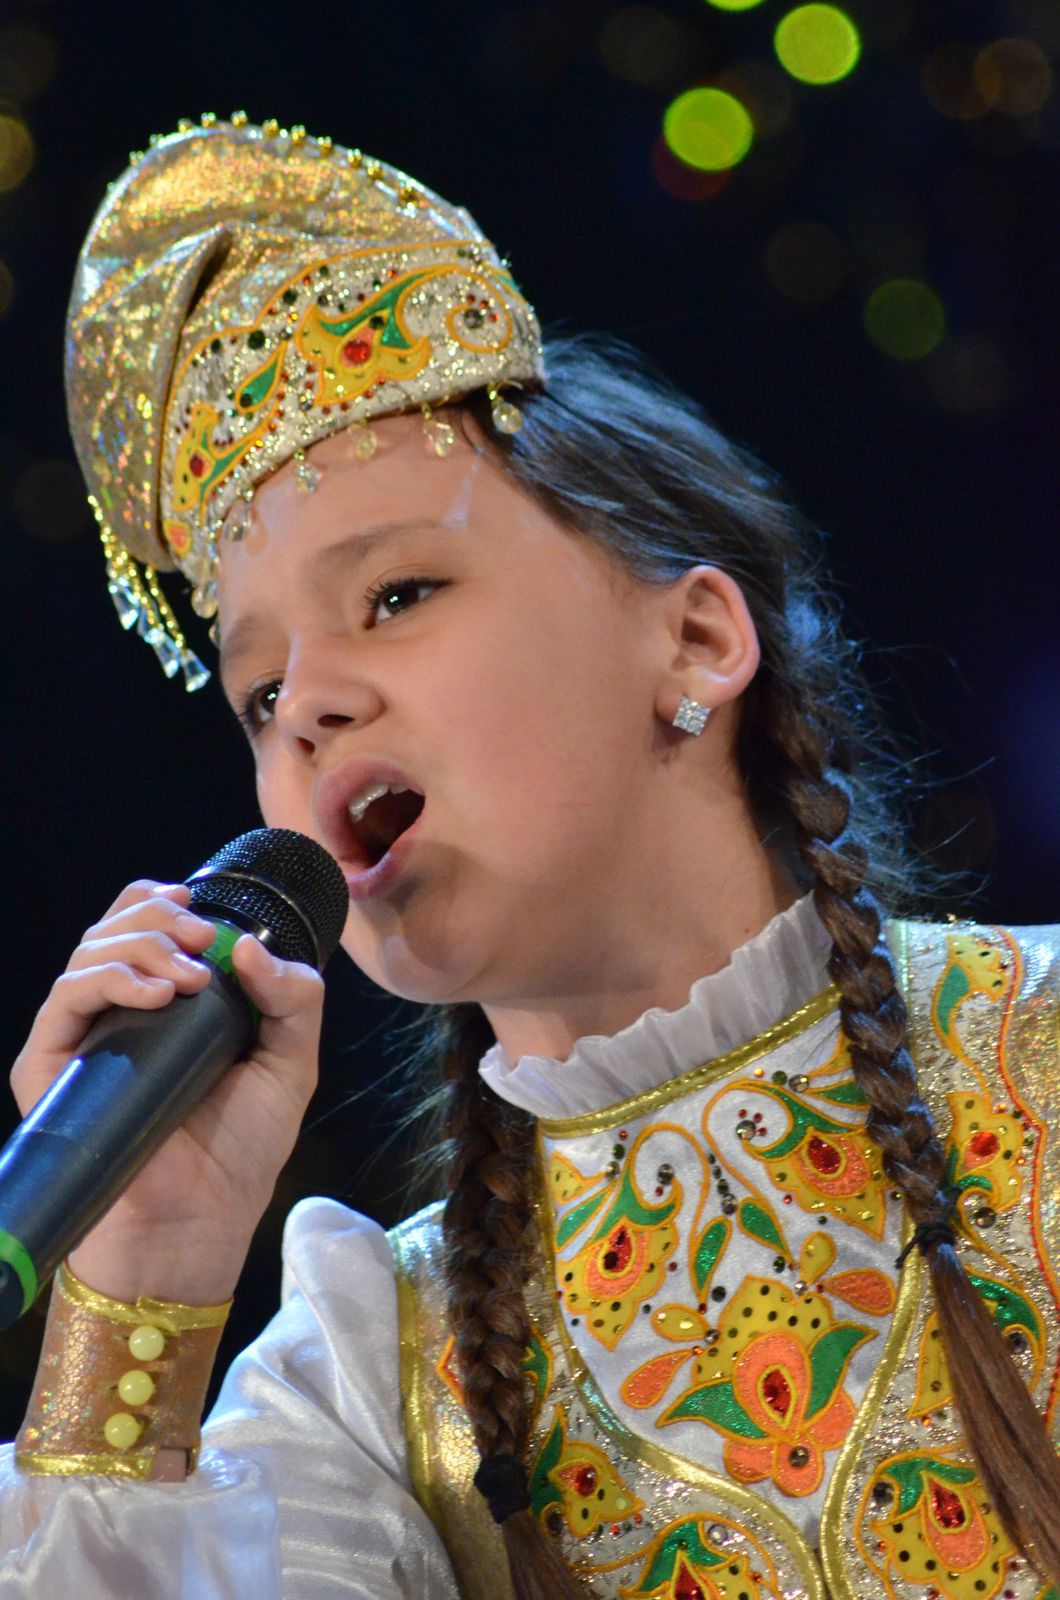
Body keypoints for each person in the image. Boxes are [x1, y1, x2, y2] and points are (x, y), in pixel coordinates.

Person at [0, 113, 1057, 1600]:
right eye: (257, 691)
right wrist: (142, 1285)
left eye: (398, 594)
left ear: (696, 638)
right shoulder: (369, 1382)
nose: (305, 705)